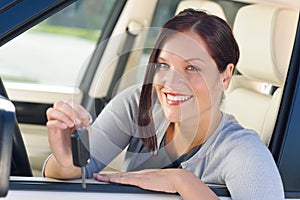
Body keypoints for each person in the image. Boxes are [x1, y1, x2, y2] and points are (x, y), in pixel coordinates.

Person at [44, 9, 284, 199]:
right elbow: (76, 171)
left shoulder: (243, 153)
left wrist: (183, 181)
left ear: (225, 76)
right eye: (163, 65)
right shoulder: (139, 104)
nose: (171, 82)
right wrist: (66, 160)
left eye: (192, 68)